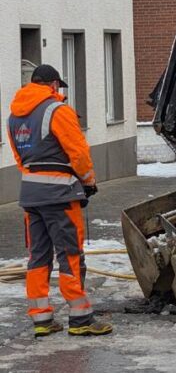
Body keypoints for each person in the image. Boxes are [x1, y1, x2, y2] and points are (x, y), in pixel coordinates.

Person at [7, 65, 112, 337]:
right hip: (60, 196)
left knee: (38, 256)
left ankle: (41, 318)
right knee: (70, 255)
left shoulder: (14, 116)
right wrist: (88, 183)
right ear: (53, 85)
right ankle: (81, 319)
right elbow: (77, 152)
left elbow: (20, 159)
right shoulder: (57, 110)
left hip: (30, 195)